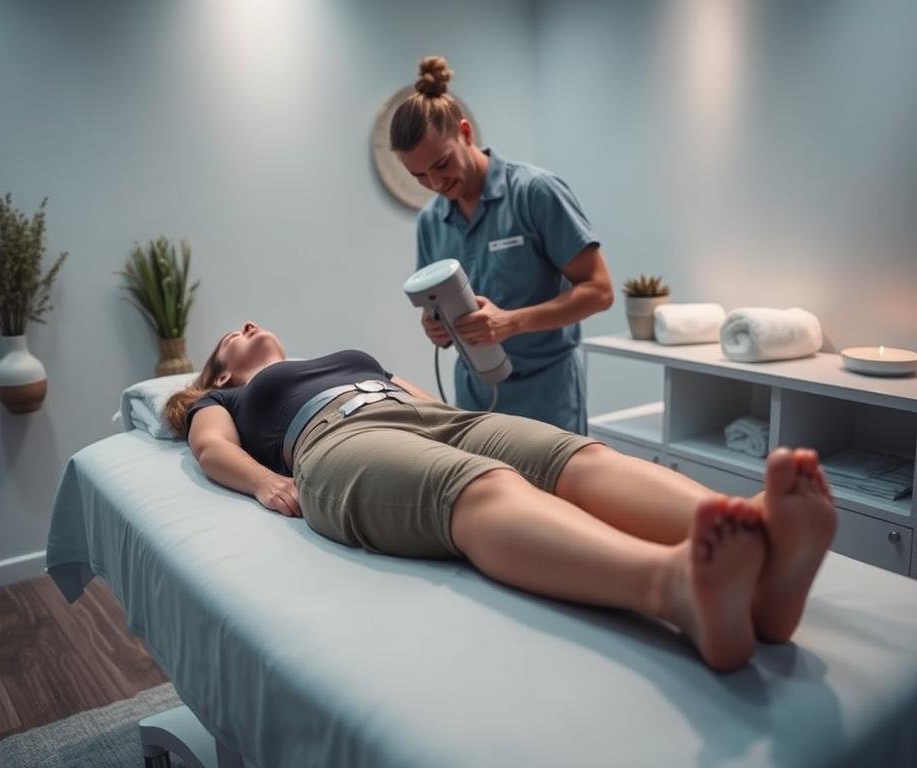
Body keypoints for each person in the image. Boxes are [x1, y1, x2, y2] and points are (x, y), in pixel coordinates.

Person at [165, 321, 837, 673]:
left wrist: (468, 430)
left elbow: (426, 403)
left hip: (433, 418)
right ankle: (672, 588)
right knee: (483, 488)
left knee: (572, 457)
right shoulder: (226, 398)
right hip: (337, 442)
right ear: (220, 370)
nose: (247, 323)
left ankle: (764, 549)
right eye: (232, 332)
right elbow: (212, 451)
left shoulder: (343, 357)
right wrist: (264, 482)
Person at [390, 56, 614, 434]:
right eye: (419, 176)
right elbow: (434, 307)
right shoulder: (431, 221)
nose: (435, 183)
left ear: (465, 132)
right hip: (475, 395)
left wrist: (511, 323)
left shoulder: (535, 193)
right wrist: (437, 328)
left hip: (548, 395)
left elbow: (600, 291)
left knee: (552, 493)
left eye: (442, 164)